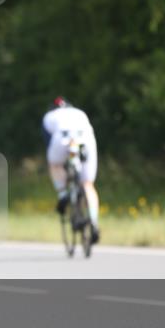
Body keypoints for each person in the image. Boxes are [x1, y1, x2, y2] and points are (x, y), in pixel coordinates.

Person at [43, 97, 100, 243]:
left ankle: (63, 194)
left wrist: (62, 164)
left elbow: (48, 143)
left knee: (54, 165)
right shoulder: (79, 112)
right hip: (85, 139)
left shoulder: (49, 116)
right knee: (88, 184)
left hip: (62, 138)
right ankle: (94, 221)